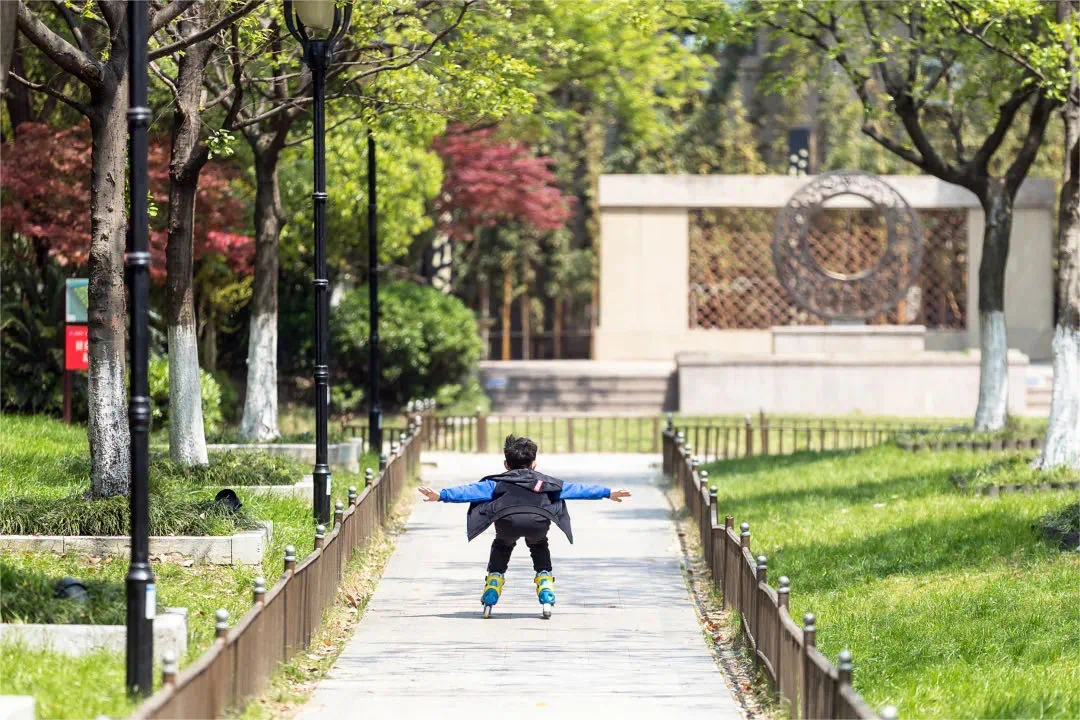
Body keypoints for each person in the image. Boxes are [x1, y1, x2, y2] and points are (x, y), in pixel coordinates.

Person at [418, 434, 631, 618]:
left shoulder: (497, 482)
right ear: (534, 463)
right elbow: (577, 489)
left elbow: (468, 491)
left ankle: (492, 588)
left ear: (506, 464)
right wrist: (607, 493)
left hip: (507, 523)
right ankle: (545, 587)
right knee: (539, 545)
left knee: (502, 545)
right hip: (538, 523)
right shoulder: (547, 483)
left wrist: (441, 495)